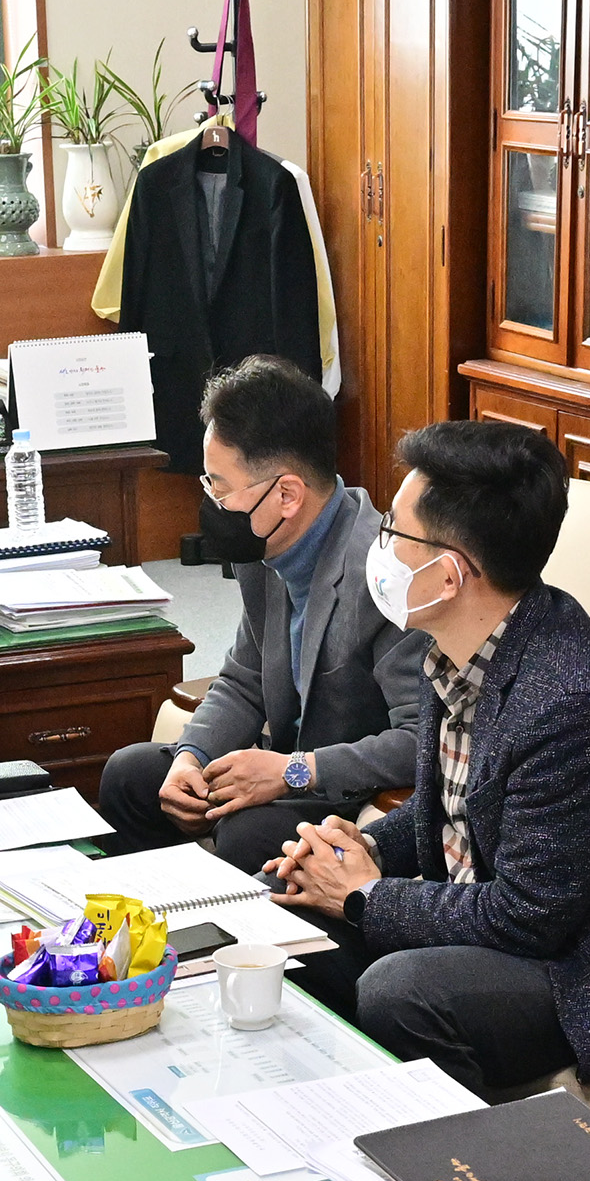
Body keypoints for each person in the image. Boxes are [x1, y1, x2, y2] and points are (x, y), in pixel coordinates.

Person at [262, 419, 590, 1093]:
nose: (380, 548)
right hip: (512, 924)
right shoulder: (457, 646)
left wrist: (367, 895)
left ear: (449, 573)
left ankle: (459, 1168)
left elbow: (527, 916)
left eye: (393, 534)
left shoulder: (571, 707)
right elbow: (454, 811)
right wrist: (353, 851)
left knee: (402, 991)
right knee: (286, 911)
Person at [96, 355, 429, 868]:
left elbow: (420, 738)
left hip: (344, 789)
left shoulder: (382, 573)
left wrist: (295, 770)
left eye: (219, 486)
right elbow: (243, 678)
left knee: (248, 834)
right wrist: (192, 757)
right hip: (283, 766)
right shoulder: (263, 547)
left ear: (287, 494)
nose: (209, 502)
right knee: (130, 775)